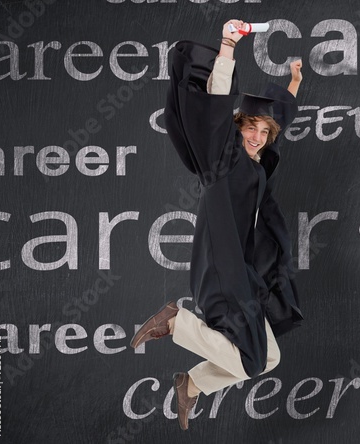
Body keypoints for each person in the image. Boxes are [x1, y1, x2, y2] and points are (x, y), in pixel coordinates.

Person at [129, 19, 305, 431]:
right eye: (250, 128)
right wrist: (227, 46)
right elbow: (218, 101)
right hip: (222, 263)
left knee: (269, 358)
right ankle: (176, 323)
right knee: (252, 357)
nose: (258, 136)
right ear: (236, 128)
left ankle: (192, 383)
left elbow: (278, 119)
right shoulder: (223, 160)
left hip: (244, 267)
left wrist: (294, 82)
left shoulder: (258, 160)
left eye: (264, 131)